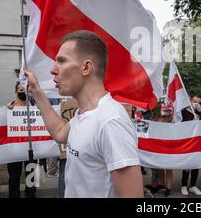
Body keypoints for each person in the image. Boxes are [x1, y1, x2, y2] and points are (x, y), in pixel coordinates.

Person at [24, 30, 143, 198]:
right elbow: (59, 133)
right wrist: (36, 90)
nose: (53, 70)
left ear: (86, 67)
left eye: (62, 61)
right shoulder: (84, 113)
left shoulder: (111, 122)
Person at [6, 82, 37, 198]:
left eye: (25, 91)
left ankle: (31, 195)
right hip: (14, 149)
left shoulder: (34, 108)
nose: (23, 93)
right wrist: (8, 110)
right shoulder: (10, 108)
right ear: (15, 92)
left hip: (32, 149)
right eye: (20, 91)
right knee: (14, 177)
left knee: (31, 176)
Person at [180, 95, 201, 196]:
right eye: (194, 101)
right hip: (187, 141)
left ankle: (193, 185)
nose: (196, 104)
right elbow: (180, 123)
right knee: (187, 164)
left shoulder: (198, 110)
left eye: (198, 102)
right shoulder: (183, 112)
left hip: (197, 141)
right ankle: (184, 185)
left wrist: (200, 113)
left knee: (196, 163)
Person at [152, 103, 175, 197]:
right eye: (162, 107)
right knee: (160, 167)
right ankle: (163, 185)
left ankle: (168, 188)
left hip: (168, 146)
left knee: (169, 168)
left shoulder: (170, 119)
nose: (165, 108)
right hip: (158, 147)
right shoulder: (153, 120)